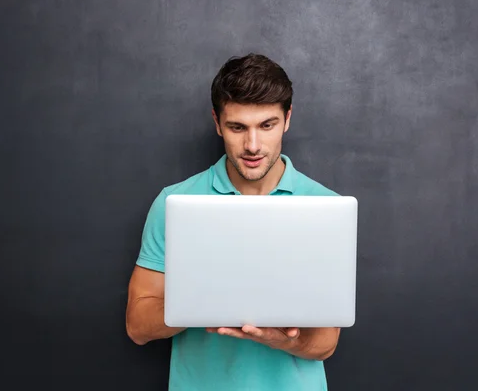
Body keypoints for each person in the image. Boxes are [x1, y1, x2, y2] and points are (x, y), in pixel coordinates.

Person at [126, 53, 342, 390]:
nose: (252, 146)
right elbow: (138, 326)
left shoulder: (326, 207)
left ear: (287, 119)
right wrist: (202, 301)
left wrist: (279, 339)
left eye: (266, 125)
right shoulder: (174, 203)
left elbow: (326, 342)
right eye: (237, 127)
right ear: (217, 122)